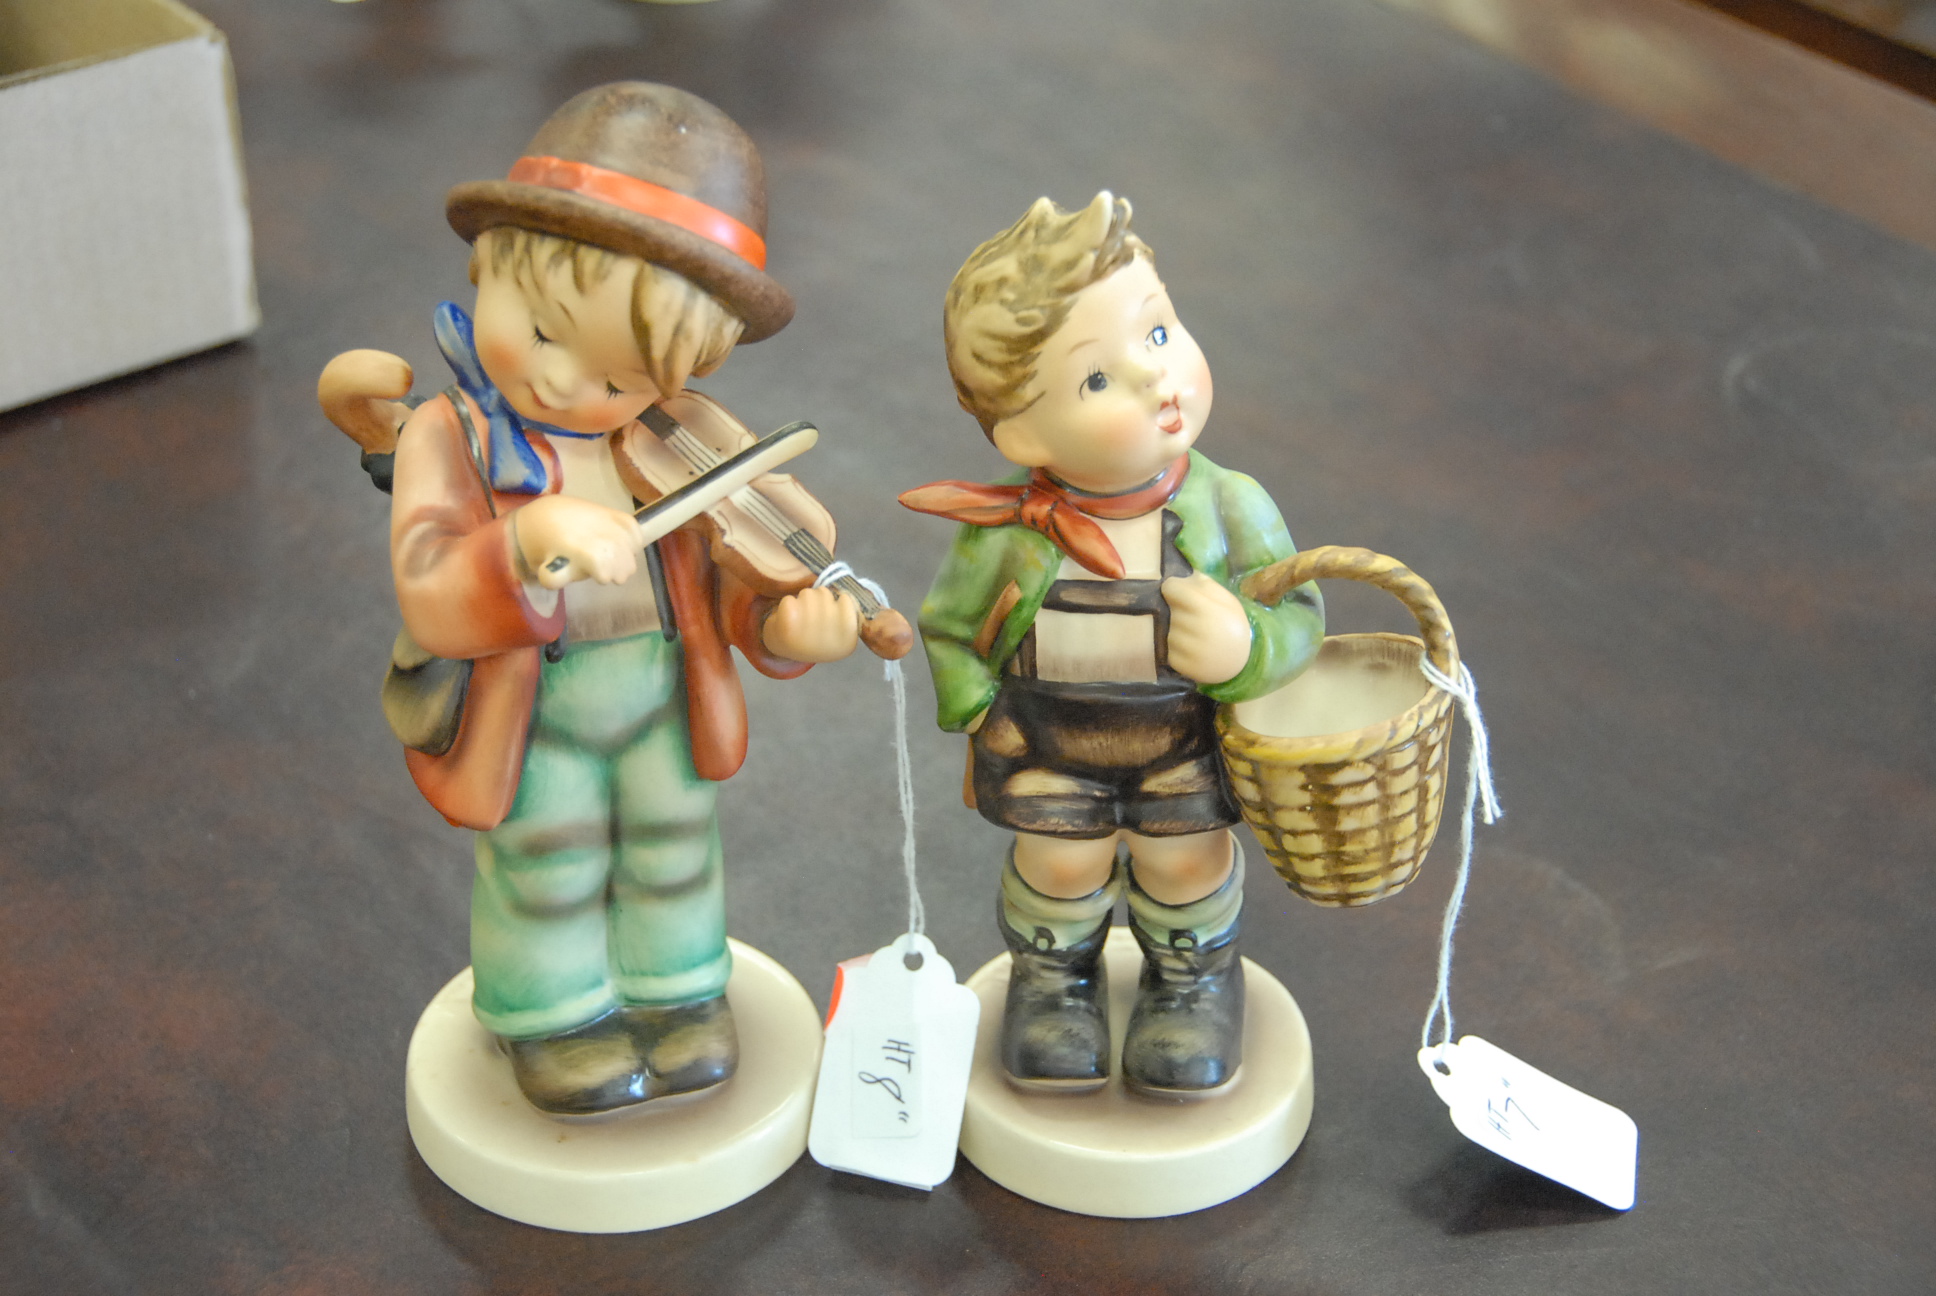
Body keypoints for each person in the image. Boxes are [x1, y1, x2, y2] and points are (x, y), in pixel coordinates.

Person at [327, 82, 859, 1116]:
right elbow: (430, 584)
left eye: (619, 380)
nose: (572, 387)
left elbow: (731, 569)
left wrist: (784, 627)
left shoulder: (679, 437)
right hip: (534, 708)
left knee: (674, 846)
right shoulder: (451, 435)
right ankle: (554, 1013)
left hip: (660, 696)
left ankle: (676, 992)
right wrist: (524, 543)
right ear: (488, 268)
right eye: (542, 331)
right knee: (548, 859)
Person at [901, 193, 1323, 1097]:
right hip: (1048, 741)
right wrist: (978, 711)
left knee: (1184, 859)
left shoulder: (1231, 505)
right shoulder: (1004, 532)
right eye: (1097, 380)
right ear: (1020, 433)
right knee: (1060, 860)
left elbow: (1302, 618)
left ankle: (1192, 985)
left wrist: (1247, 646)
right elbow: (948, 626)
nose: (1156, 377)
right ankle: (1055, 985)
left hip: (1183, 741)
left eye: (1159, 332)